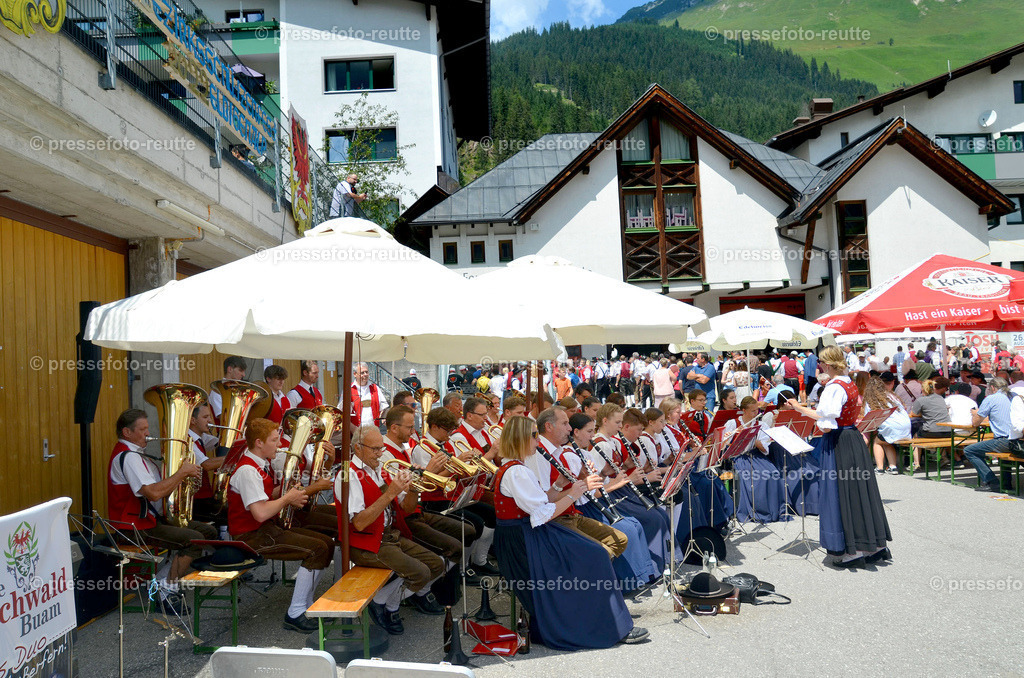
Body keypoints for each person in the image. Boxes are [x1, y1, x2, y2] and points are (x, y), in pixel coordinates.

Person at [492, 415, 648, 649]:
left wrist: (561, 485)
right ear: (522, 439)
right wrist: (574, 493)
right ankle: (605, 623)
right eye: (534, 436)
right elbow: (542, 514)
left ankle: (602, 617)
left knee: (594, 553)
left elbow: (542, 501)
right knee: (594, 555)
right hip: (523, 541)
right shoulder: (516, 472)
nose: (537, 441)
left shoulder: (517, 468)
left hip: (527, 534)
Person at [785, 346, 891, 569]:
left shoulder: (834, 387)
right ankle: (874, 545)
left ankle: (851, 550)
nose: (820, 366)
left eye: (823, 363)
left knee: (842, 494)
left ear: (829, 365)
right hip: (851, 437)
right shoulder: (848, 381)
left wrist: (797, 407)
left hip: (839, 441)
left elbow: (825, 421)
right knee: (861, 491)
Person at [228, 418, 334, 632]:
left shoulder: (259, 463)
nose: (279, 445)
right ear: (259, 443)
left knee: (326, 543)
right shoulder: (248, 470)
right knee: (318, 548)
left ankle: (306, 605)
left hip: (264, 529)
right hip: (251, 536)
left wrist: (287, 491)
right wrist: (288, 498)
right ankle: (295, 613)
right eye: (274, 440)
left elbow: (267, 495)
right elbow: (259, 513)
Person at [107, 409, 216, 615]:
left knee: (207, 533)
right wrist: (182, 473)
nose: (148, 434)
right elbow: (154, 493)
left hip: (149, 520)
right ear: (127, 432)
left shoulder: (139, 455)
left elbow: (161, 489)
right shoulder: (128, 457)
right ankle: (166, 589)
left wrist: (185, 481)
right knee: (193, 540)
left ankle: (161, 581)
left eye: (148, 428)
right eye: (142, 430)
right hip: (132, 526)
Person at [339, 424, 445, 635]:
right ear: (358, 448)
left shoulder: (377, 469)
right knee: (420, 572)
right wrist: (390, 493)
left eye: (381, 448)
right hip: (365, 543)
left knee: (436, 564)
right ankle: (389, 606)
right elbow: (359, 523)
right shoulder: (348, 475)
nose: (380, 454)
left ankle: (382, 601)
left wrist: (414, 485)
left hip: (387, 535)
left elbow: (406, 507)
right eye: (375, 449)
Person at [567, 413, 658, 590]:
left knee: (634, 524)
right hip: (585, 507)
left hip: (597, 501)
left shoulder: (585, 453)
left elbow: (599, 482)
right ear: (576, 432)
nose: (592, 436)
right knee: (627, 530)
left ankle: (644, 573)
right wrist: (615, 482)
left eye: (593, 431)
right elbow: (589, 492)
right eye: (589, 432)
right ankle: (628, 581)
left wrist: (611, 473)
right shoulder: (571, 455)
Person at [526, 407, 629, 559]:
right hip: (555, 520)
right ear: (549, 426)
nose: (569, 429)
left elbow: (569, 485)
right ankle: (589, 578)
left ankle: (594, 573)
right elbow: (546, 502)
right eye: (565, 424)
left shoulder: (558, 451)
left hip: (571, 514)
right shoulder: (539, 454)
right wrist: (583, 486)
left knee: (620, 539)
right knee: (602, 552)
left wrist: (583, 476)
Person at [590, 404, 674, 572]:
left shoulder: (612, 441)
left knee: (660, 513)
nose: (621, 426)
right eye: (617, 422)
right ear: (605, 421)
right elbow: (598, 485)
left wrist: (630, 466)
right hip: (610, 495)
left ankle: (662, 562)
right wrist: (630, 479)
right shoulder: (601, 445)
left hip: (620, 490)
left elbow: (622, 467)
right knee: (652, 518)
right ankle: (651, 566)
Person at [725, 397, 784, 522]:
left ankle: (771, 511)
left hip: (756, 455)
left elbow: (765, 448)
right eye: (752, 411)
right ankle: (749, 511)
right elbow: (723, 444)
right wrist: (735, 434)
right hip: (738, 456)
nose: (756, 413)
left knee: (772, 473)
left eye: (757, 410)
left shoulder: (761, 425)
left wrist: (754, 440)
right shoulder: (732, 423)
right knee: (749, 476)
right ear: (744, 411)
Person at [963, 378, 1018, 493]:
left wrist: (975, 413)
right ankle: (1006, 483)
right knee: (1002, 450)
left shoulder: (991, 399)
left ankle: (992, 482)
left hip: (1004, 441)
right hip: (1018, 439)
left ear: (992, 388)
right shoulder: (1015, 396)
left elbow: (975, 423)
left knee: (970, 450)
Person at [863, 376, 910, 475]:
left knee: (877, 441)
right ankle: (893, 467)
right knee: (886, 442)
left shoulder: (871, 400)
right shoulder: (892, 396)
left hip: (892, 429)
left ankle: (880, 468)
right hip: (906, 428)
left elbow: (869, 418)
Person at [208, 356, 248, 421]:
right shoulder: (217, 391)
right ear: (230, 369)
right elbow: (224, 419)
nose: (243, 375)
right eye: (240, 371)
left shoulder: (238, 390)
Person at [348, 362, 385, 427]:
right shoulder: (348, 390)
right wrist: (353, 430)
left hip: (373, 431)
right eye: (362, 373)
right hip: (356, 432)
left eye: (366, 372)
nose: (365, 374)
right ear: (355, 374)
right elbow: (343, 413)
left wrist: (384, 418)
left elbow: (384, 407)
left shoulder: (375, 388)